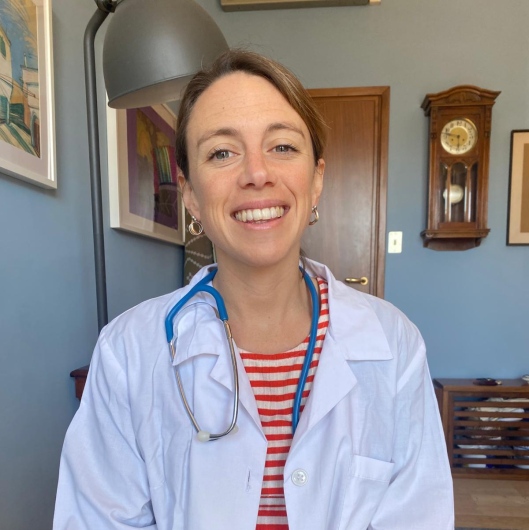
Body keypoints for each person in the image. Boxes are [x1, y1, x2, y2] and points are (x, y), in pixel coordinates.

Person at [54, 49, 454, 530]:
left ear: (316, 178)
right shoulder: (128, 352)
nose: (257, 174)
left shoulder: (394, 344)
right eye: (222, 153)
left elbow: (419, 515)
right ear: (190, 193)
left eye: (282, 146)